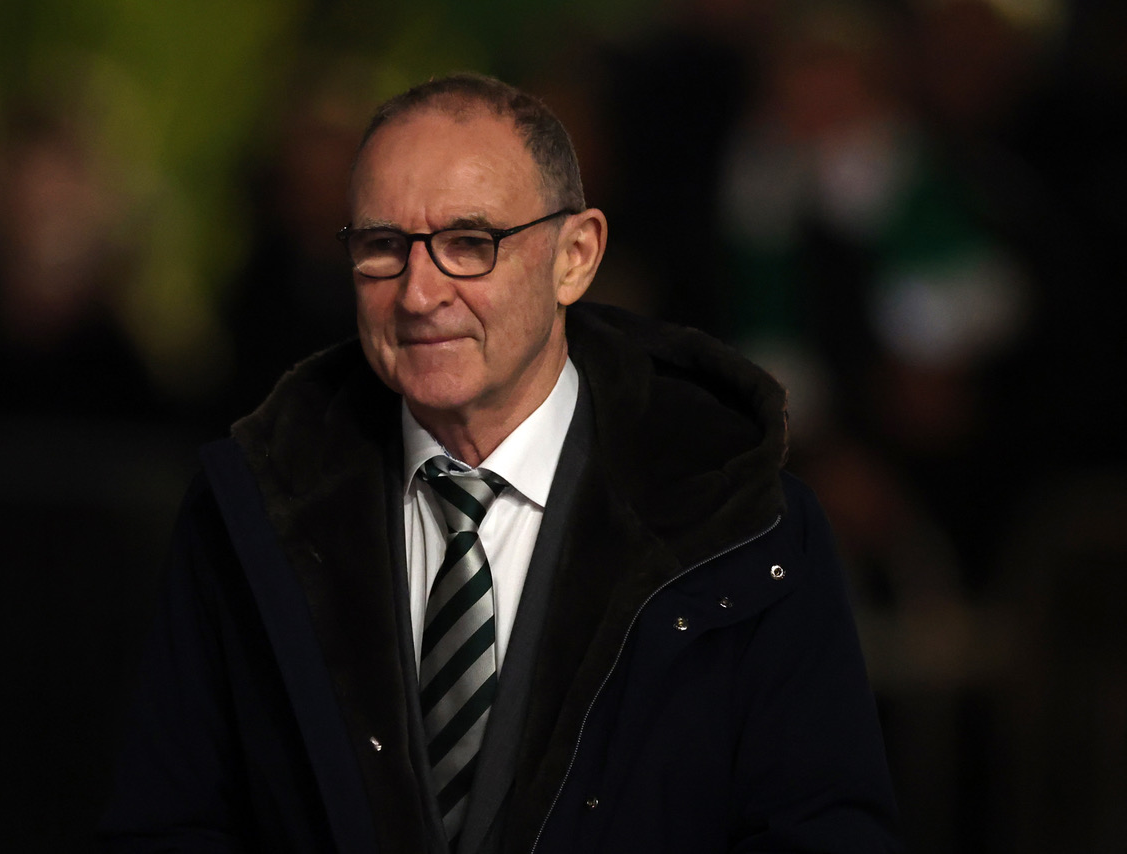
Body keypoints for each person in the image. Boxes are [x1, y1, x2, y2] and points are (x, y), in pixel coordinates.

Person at [100, 73, 899, 854]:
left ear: (574, 257)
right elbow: (168, 821)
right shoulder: (250, 512)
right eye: (383, 247)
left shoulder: (751, 526)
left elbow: (822, 828)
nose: (418, 292)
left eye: (468, 244)